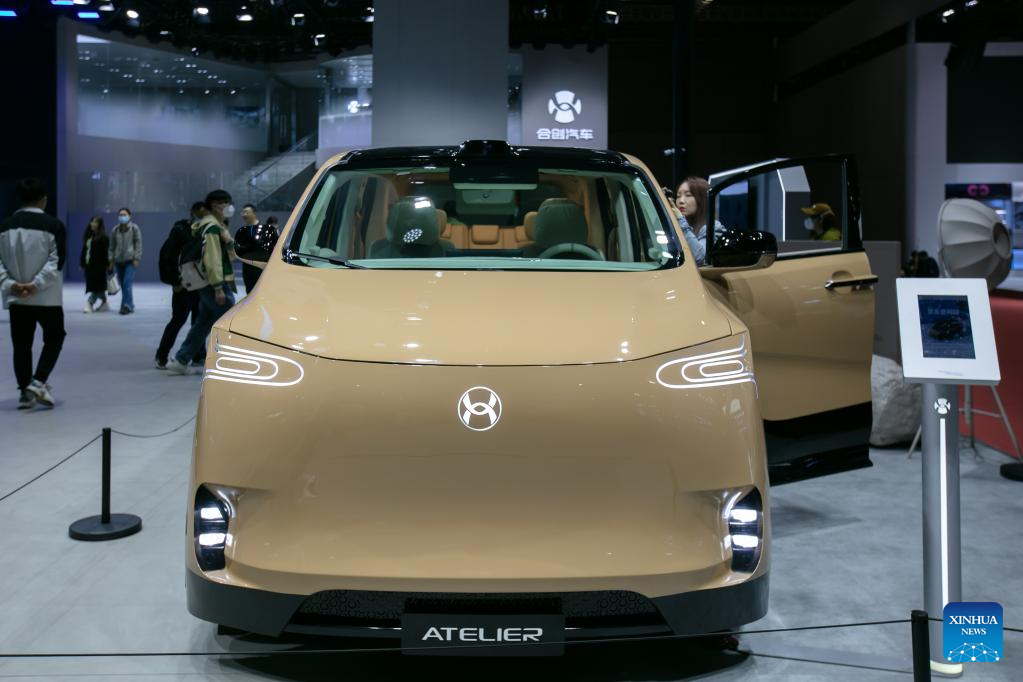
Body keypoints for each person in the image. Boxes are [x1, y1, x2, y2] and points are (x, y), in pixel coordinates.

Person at [0, 179, 67, 409]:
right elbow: (56, 262)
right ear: (43, 200)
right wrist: (35, 284)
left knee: (21, 345)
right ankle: (38, 381)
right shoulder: (54, 225)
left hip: (17, 297)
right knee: (55, 337)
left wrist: (11, 284)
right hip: (47, 298)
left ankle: (24, 393)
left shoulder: (5, 226)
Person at [166, 189, 238, 376]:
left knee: (203, 323)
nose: (229, 206)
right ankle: (234, 362)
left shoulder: (212, 226)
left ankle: (181, 360)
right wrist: (218, 287)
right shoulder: (212, 228)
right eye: (225, 203)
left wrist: (228, 241)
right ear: (215, 205)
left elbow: (229, 255)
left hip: (206, 284)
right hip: (215, 284)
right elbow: (213, 260)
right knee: (231, 322)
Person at [155, 202, 207, 370]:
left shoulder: (206, 231)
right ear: (192, 213)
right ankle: (161, 355)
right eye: (199, 213)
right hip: (183, 284)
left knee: (199, 322)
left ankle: (199, 354)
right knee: (178, 320)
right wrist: (175, 282)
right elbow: (167, 256)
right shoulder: (179, 230)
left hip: (201, 285)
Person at [674, 176, 726, 266]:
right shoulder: (678, 226)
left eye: (688, 195)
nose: (681, 201)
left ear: (702, 199)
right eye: (678, 196)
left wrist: (680, 219)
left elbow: (699, 258)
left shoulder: (713, 227)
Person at [234, 204, 278, 294]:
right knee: (249, 293)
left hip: (259, 270)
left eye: (247, 212)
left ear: (254, 213)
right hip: (247, 270)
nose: (244, 214)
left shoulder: (263, 230)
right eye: (243, 212)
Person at [108, 206, 142, 314]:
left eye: (124, 214)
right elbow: (111, 247)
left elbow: (138, 244)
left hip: (130, 260)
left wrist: (136, 258)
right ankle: (128, 304)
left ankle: (127, 306)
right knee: (123, 285)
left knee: (127, 282)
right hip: (118, 261)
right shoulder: (115, 230)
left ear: (129, 216)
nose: (122, 216)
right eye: (120, 215)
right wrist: (111, 260)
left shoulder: (134, 228)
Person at [80, 216, 110, 313]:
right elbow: (84, 251)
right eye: (92, 221)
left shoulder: (104, 237)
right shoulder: (89, 236)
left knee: (97, 286)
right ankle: (104, 303)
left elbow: (107, 253)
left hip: (99, 267)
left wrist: (109, 265)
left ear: (100, 225)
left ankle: (90, 303)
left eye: (96, 222)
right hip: (89, 266)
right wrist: (82, 263)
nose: (93, 224)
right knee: (97, 286)